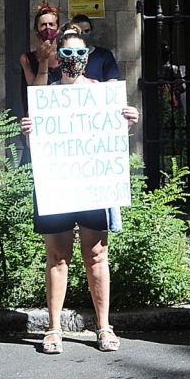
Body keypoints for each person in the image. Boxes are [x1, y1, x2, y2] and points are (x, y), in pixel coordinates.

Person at [20, 25, 139, 353]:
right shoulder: (48, 95)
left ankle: (104, 326)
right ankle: (54, 328)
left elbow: (114, 139)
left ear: (87, 58)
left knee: (97, 255)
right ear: (59, 57)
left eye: (79, 53)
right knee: (57, 256)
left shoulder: (104, 93)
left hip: (93, 185)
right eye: (67, 53)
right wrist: (30, 130)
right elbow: (36, 143)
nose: (73, 59)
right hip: (58, 184)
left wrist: (128, 118)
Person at [20, 2, 61, 90]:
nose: (47, 28)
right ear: (36, 30)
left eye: (51, 24)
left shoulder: (66, 54)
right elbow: (37, 92)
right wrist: (44, 59)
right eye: (43, 25)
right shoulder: (27, 59)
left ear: (58, 29)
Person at [71, 13, 122, 82]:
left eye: (87, 31)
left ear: (91, 31)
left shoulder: (104, 55)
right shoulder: (67, 57)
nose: (83, 34)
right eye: (79, 31)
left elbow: (112, 83)